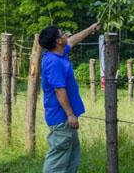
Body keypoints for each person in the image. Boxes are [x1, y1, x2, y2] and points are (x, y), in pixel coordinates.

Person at [39, 22, 100, 173]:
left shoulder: (58, 53)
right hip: (61, 117)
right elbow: (59, 90)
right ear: (58, 41)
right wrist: (70, 114)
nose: (66, 35)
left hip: (64, 117)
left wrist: (91, 28)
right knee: (58, 158)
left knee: (71, 157)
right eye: (62, 33)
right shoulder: (54, 62)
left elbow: (73, 41)